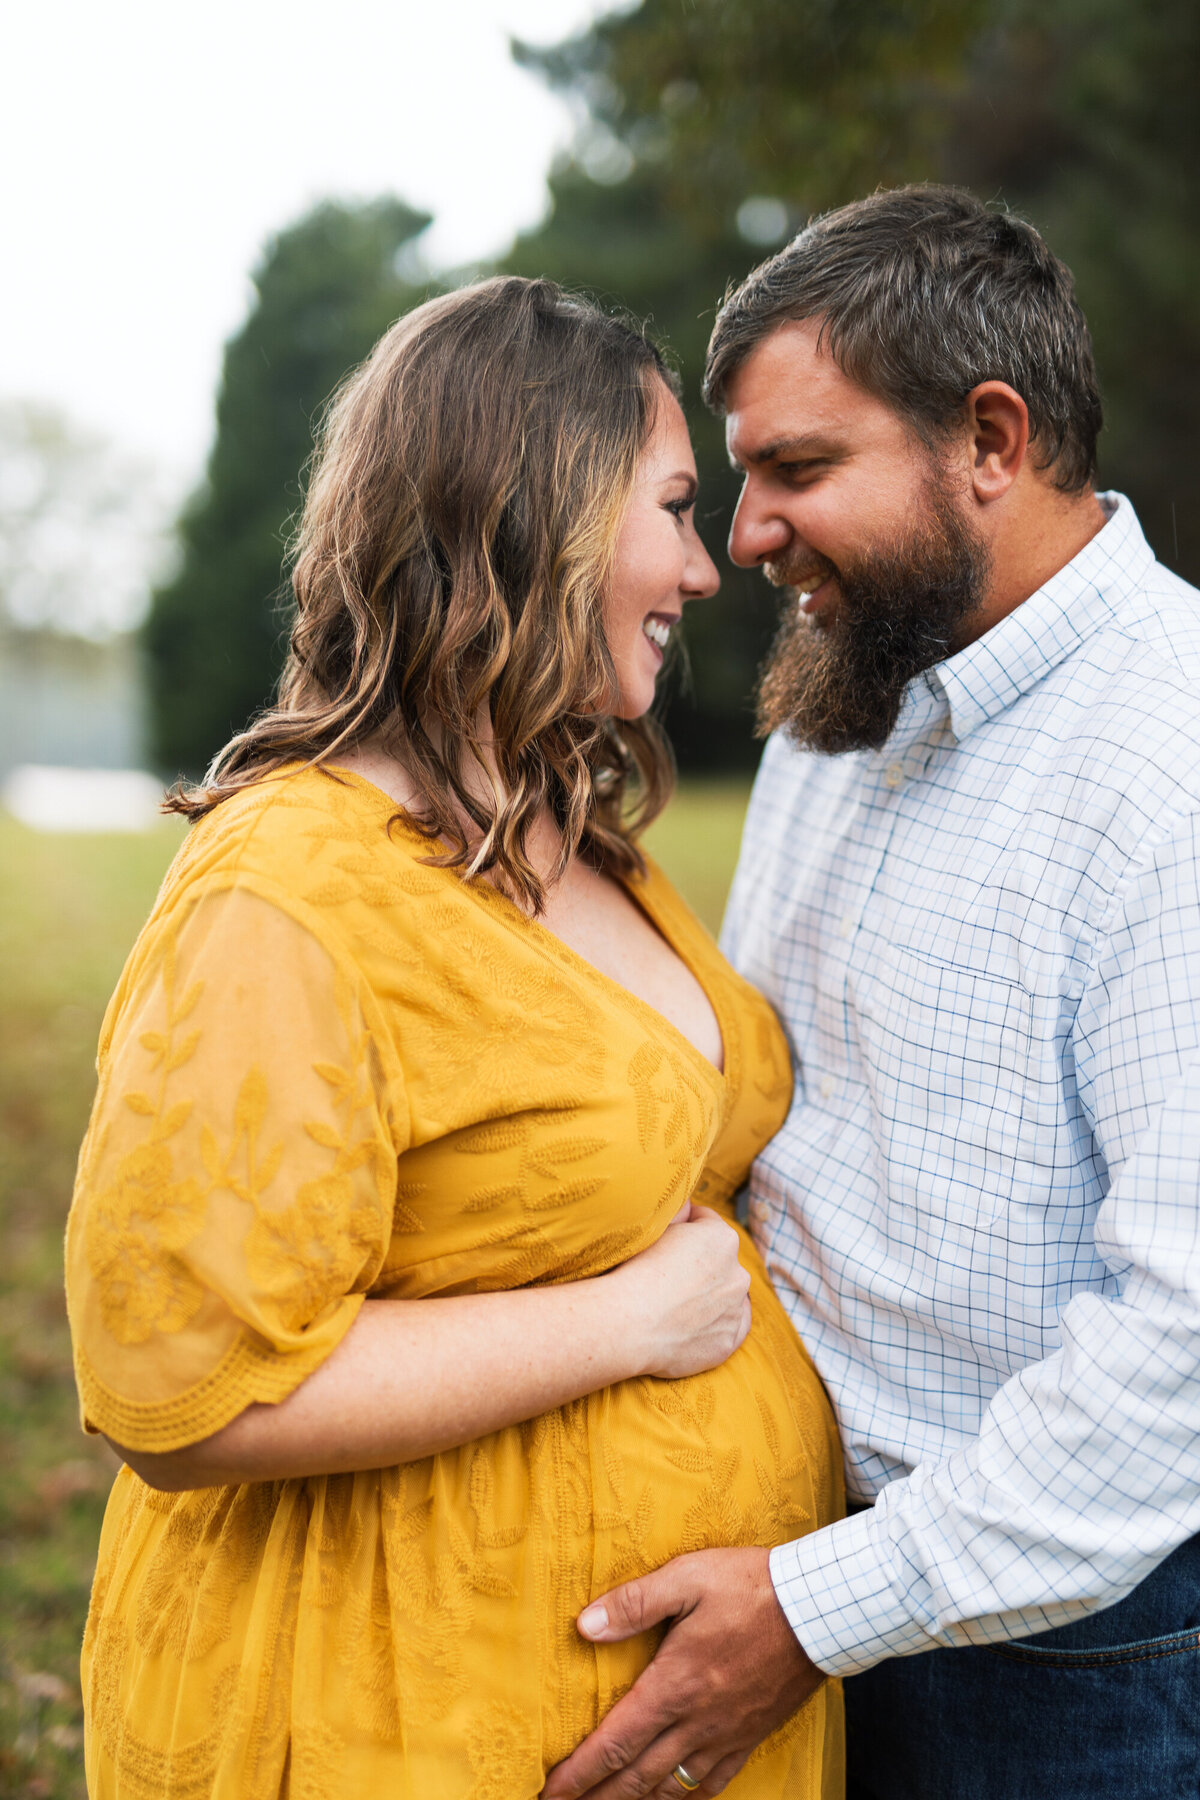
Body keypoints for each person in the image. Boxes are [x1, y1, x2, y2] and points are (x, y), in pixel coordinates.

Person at [63, 276, 846, 1800]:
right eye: (674, 506)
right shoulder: (288, 887)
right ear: (536, 510)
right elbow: (183, 1386)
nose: (703, 563)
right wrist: (631, 1326)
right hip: (391, 1709)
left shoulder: (573, 829)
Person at [543, 187, 1200, 1800]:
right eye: (739, 472)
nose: (744, 536)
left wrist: (818, 1609)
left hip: (1061, 1665)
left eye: (799, 470)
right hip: (783, 1576)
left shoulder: (1168, 759)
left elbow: (1181, 1345)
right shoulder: (842, 705)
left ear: (991, 438)